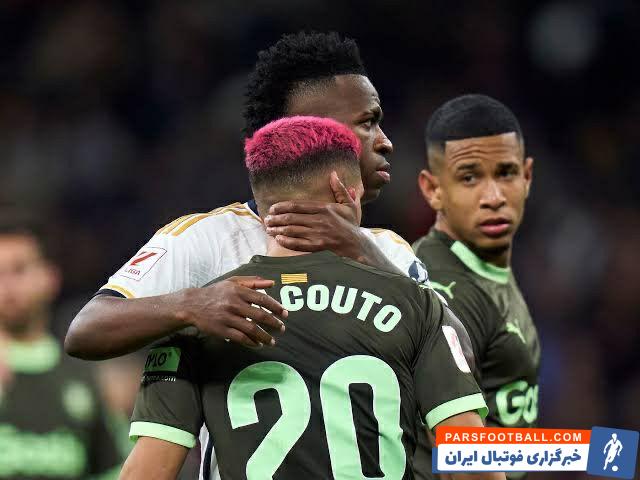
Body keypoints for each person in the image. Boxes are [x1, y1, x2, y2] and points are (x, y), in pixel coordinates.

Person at [65, 30, 429, 479]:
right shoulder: (206, 243)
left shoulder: (391, 251)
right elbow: (85, 330)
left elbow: (455, 365)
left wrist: (362, 250)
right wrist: (192, 305)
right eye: (367, 122)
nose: (386, 141)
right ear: (308, 131)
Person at [119, 116, 501, 480]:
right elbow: (472, 463)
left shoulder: (204, 315)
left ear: (261, 203)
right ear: (347, 191)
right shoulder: (415, 302)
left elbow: (147, 472)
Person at [413, 95, 540, 479]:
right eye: (469, 177)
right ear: (433, 189)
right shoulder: (445, 292)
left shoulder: (479, 265)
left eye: (506, 173)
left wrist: (602, 454)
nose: (493, 198)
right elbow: (463, 457)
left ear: (527, 176)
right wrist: (602, 453)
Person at [0, 211, 122, 480]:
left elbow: (113, 470)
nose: (6, 286)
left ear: (50, 278)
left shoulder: (83, 374)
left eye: (19, 270)